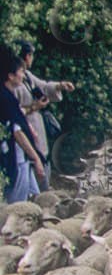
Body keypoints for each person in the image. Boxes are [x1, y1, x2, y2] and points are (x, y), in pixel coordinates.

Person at [17, 40, 74, 187]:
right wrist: (34, 107)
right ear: (27, 56)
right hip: (23, 130)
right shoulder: (13, 81)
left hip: (37, 129)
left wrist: (60, 85)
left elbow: (43, 86)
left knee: (43, 165)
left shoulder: (27, 76)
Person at [1, 44, 47, 203]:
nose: (23, 74)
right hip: (16, 158)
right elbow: (17, 132)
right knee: (18, 204)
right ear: (10, 76)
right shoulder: (6, 99)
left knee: (34, 197)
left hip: (21, 158)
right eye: (21, 71)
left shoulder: (9, 96)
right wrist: (36, 158)